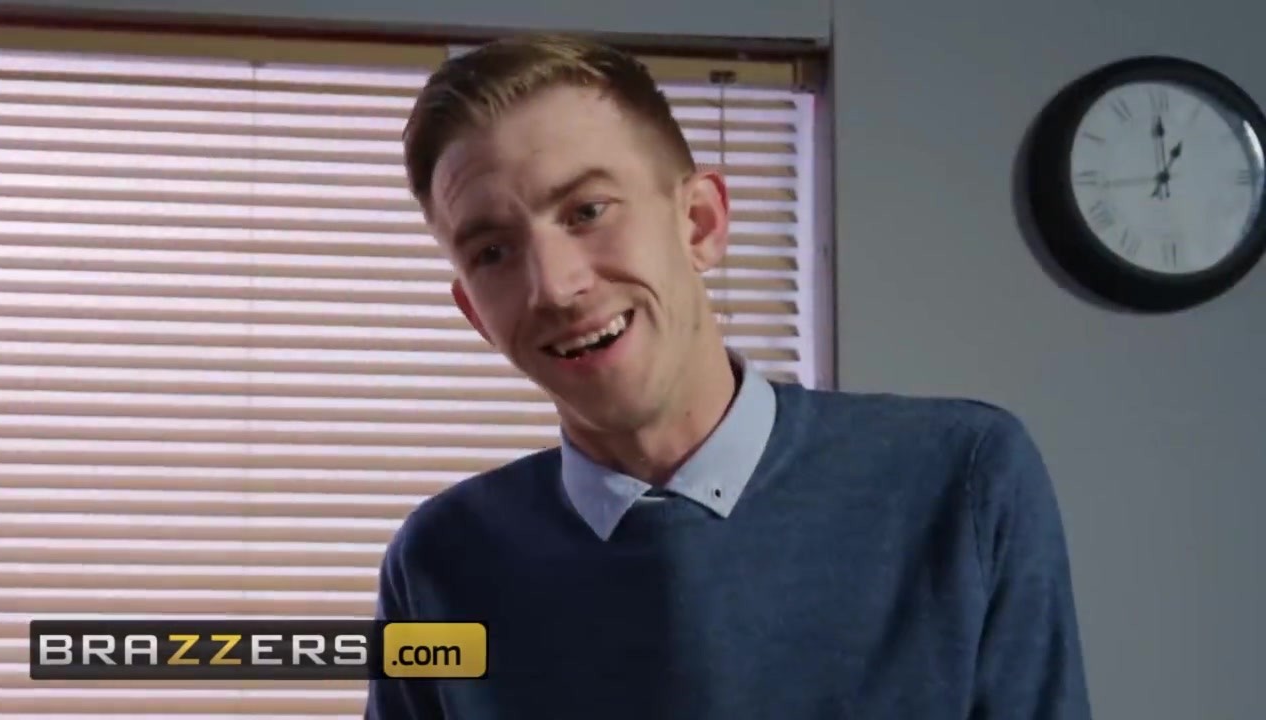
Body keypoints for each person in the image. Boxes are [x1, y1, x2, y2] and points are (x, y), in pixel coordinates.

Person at [365, 33, 1092, 720]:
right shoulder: (439, 564)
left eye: (588, 211)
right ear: (474, 312)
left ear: (701, 223)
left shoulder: (963, 482)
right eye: (492, 252)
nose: (554, 287)